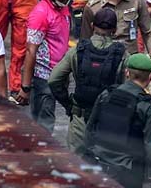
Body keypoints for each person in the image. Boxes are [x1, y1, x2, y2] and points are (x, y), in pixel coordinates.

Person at [86, 53, 151, 188]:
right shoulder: (149, 105)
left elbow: (90, 129)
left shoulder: (106, 94)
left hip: (100, 166)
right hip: (129, 173)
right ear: (150, 77)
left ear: (127, 73)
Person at [48, 8, 126, 155]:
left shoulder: (77, 51)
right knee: (106, 166)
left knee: (77, 165)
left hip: (80, 119)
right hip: (108, 122)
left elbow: (54, 79)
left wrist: (68, 104)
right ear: (115, 30)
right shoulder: (122, 55)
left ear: (92, 26)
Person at [21, 0, 73, 130]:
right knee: (44, 123)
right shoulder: (41, 14)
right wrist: (25, 86)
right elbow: (31, 50)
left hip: (59, 75)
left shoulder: (63, 8)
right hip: (43, 77)